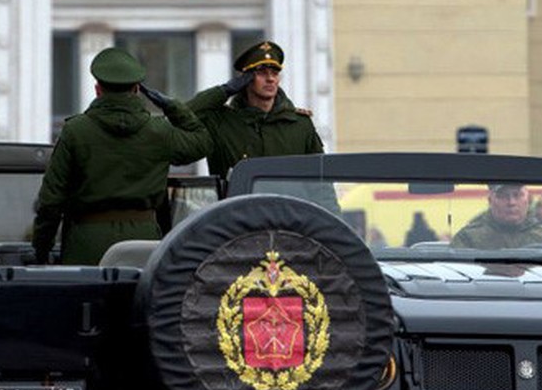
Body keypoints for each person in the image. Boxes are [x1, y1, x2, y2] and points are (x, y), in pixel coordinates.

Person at [32, 47, 211, 265]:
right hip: (143, 243)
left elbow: (51, 200)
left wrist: (42, 250)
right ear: (137, 89)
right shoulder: (159, 132)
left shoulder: (75, 131)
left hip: (86, 244)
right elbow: (202, 141)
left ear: (98, 90)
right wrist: (171, 106)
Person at [186, 40, 324, 180]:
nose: (270, 79)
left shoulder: (300, 124)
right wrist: (224, 91)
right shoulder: (222, 122)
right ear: (247, 79)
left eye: (275, 73)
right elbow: (182, 116)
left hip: (287, 202)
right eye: (262, 73)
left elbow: (320, 180)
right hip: (238, 202)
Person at [451, 184, 542, 250]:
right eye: (503, 196)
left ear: (527, 199)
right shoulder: (469, 239)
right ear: (490, 200)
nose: (511, 202)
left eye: (517, 195)